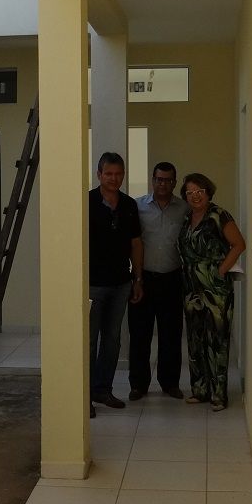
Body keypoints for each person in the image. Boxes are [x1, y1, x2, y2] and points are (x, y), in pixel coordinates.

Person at [178, 173, 245, 411]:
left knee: (217, 340)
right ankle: (200, 390)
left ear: (208, 192)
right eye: (190, 192)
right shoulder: (187, 218)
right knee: (195, 339)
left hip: (216, 289)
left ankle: (218, 394)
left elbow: (239, 244)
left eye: (200, 191)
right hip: (191, 288)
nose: (195, 196)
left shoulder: (219, 215)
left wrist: (220, 271)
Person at [127, 162, 190, 401]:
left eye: (168, 180)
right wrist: (137, 278)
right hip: (143, 279)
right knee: (139, 335)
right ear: (152, 180)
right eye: (159, 179)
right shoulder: (138, 206)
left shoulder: (184, 208)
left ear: (174, 182)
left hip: (172, 278)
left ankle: (170, 383)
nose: (163, 184)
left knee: (171, 335)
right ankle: (138, 385)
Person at [88, 152, 143, 413]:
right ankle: (84, 396)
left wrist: (138, 279)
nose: (113, 178)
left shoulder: (129, 205)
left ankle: (103, 390)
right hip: (92, 285)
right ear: (99, 174)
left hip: (121, 283)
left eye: (118, 173)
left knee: (112, 341)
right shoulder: (86, 202)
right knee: (89, 341)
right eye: (108, 173)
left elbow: (136, 243)